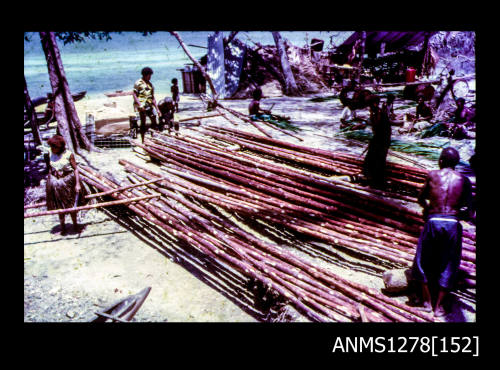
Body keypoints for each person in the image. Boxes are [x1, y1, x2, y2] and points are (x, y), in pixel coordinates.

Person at [410, 147, 473, 318]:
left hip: (433, 220)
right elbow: (470, 211)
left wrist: (428, 210)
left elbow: (420, 198)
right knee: (449, 263)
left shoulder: (432, 175)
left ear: (441, 161)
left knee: (423, 260)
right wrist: (456, 215)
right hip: (452, 222)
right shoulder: (464, 180)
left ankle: (426, 301)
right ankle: (438, 307)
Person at [45, 135, 87, 235]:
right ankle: (63, 227)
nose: (52, 149)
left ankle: (75, 225)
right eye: (51, 147)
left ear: (60, 147)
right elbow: (49, 167)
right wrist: (52, 177)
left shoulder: (68, 154)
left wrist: (77, 184)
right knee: (60, 207)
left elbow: (76, 169)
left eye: (54, 147)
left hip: (69, 182)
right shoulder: (50, 153)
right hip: (56, 183)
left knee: (72, 205)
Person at [362, 95, 392, 188]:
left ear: (374, 104)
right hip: (378, 137)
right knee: (370, 159)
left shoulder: (380, 113)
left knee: (379, 159)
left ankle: (378, 182)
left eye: (370, 105)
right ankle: (370, 178)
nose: (369, 107)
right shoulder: (374, 112)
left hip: (383, 138)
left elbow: (382, 129)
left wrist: (376, 140)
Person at [133, 67, 160, 143]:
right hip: (142, 106)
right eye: (149, 75)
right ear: (145, 75)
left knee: (154, 120)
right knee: (143, 123)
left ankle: (152, 136)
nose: (150, 77)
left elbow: (153, 97)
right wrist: (139, 105)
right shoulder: (138, 83)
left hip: (149, 105)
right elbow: (134, 95)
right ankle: (142, 140)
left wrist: (157, 109)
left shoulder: (150, 85)